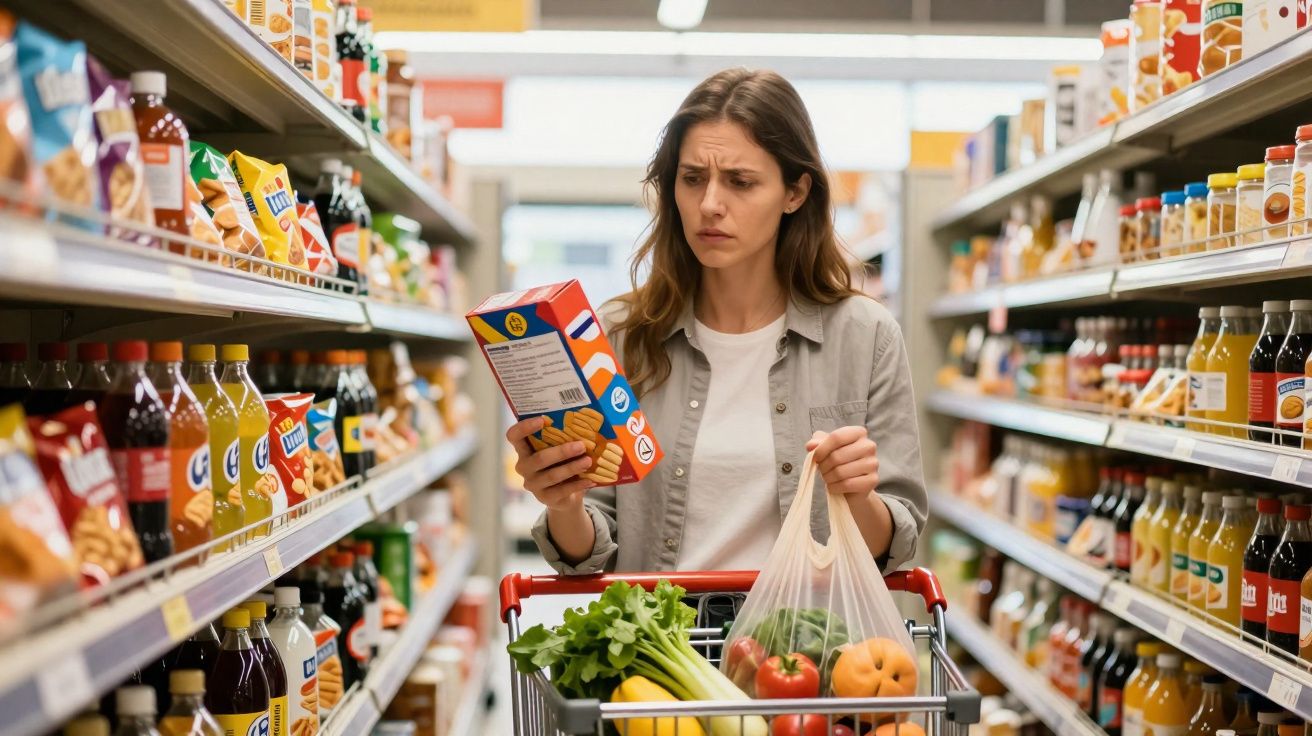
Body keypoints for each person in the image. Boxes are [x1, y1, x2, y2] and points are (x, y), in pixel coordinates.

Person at [509, 68, 928, 576]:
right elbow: (588, 557)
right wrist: (564, 504)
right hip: (661, 647)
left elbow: (894, 546)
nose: (710, 204)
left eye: (740, 181)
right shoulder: (619, 335)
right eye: (692, 179)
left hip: (806, 647)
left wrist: (857, 497)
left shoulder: (864, 336)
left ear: (794, 192)